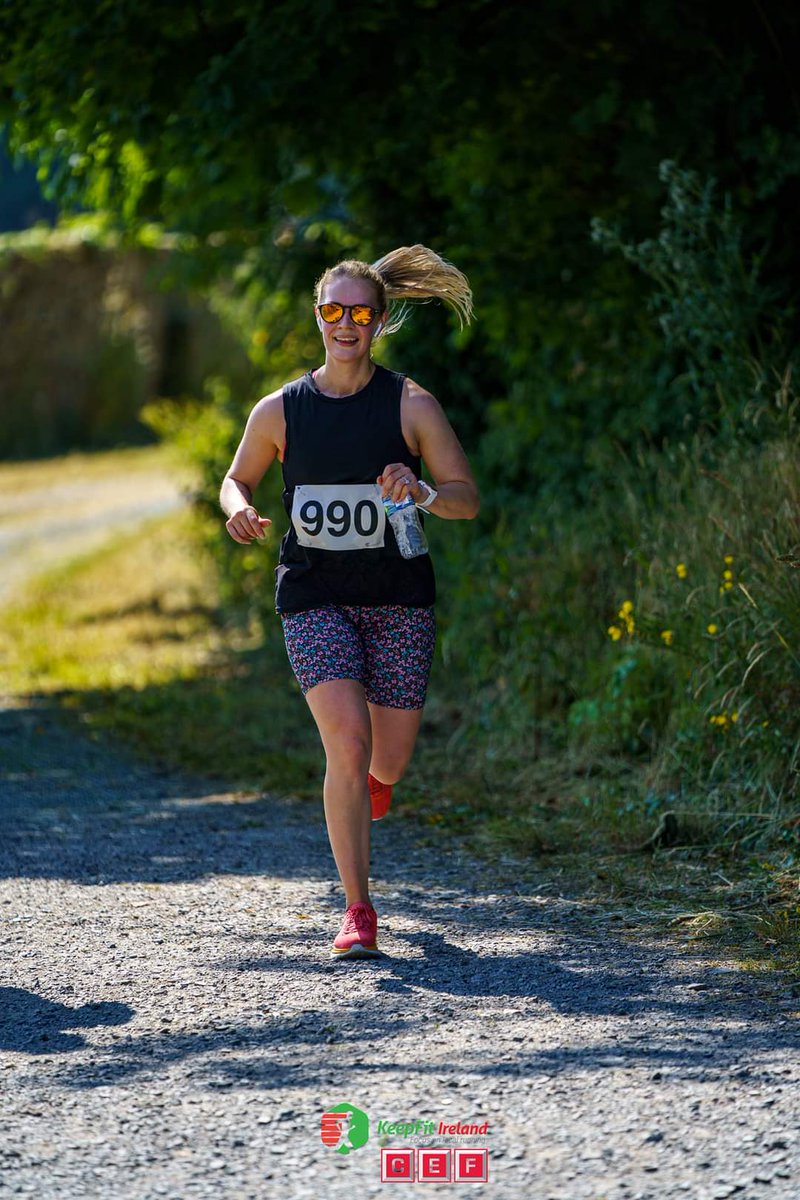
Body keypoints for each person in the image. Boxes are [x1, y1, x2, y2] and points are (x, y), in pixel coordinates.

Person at [220, 245, 479, 959]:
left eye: (359, 312)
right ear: (317, 316)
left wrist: (424, 491)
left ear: (379, 319)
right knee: (348, 742)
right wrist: (236, 508)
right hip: (315, 597)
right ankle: (358, 910)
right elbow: (235, 479)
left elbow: (466, 499)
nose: (345, 323)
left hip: (398, 599)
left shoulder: (410, 405)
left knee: (386, 764)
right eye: (332, 310)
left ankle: (375, 787)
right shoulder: (281, 410)